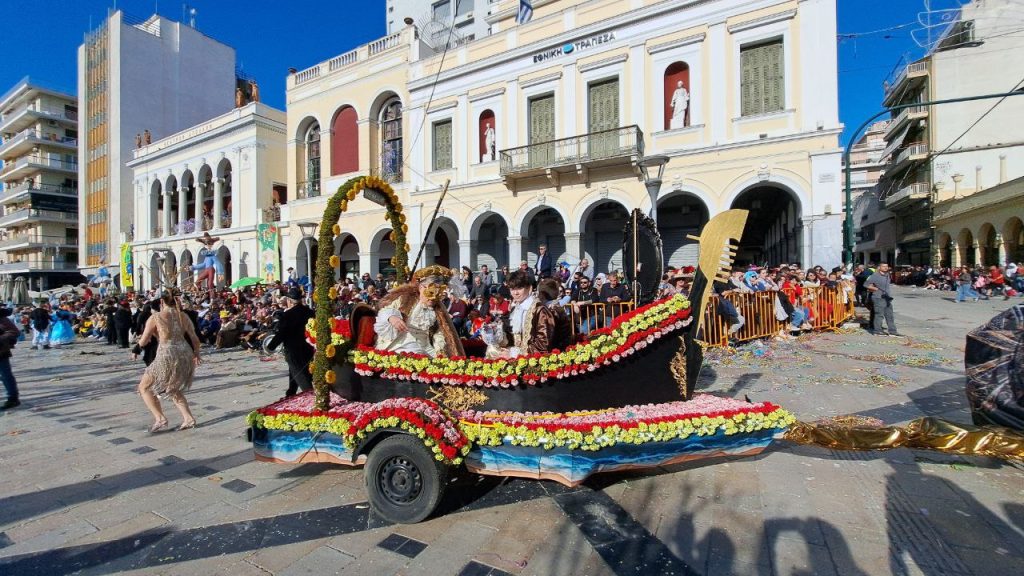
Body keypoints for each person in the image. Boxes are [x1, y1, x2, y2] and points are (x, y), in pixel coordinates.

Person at [137, 290, 202, 432]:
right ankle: (188, 418)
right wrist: (196, 354)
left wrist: (136, 348)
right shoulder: (183, 316)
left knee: (144, 387)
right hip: (184, 352)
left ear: (161, 301)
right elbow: (195, 338)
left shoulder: (156, 317)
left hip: (167, 354)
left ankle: (160, 418)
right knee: (172, 387)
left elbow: (144, 340)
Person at [373, 265, 465, 357]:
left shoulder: (438, 310)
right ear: (421, 288)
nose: (433, 298)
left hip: (424, 347)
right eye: (430, 293)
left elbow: (439, 333)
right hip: (400, 343)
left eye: (438, 295)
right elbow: (385, 310)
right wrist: (392, 317)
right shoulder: (405, 300)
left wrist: (440, 350)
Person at [500, 273, 571, 356]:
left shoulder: (540, 310)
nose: (515, 293)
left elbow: (544, 344)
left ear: (529, 288)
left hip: (537, 359)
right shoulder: (516, 309)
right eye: (512, 289)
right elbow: (515, 338)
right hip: (521, 359)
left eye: (519, 288)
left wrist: (514, 353)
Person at [267, 287, 316, 397]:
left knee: (301, 375)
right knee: (295, 371)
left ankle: (311, 398)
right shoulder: (310, 312)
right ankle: (291, 393)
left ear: (289, 300)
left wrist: (271, 346)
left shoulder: (288, 315)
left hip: (293, 350)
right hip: (308, 348)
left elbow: (282, 333)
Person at [865, 263, 898, 336]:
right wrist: (874, 289)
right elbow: (866, 284)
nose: (886, 267)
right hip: (878, 297)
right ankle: (877, 331)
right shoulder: (875, 276)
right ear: (879, 267)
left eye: (886, 266)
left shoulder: (887, 275)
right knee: (879, 315)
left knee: (890, 315)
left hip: (887, 298)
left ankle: (893, 331)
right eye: (883, 266)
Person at [0, 307, 21, 410]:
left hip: (1, 352)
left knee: (5, 375)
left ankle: (13, 398)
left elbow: (14, 331)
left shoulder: (1, 317)